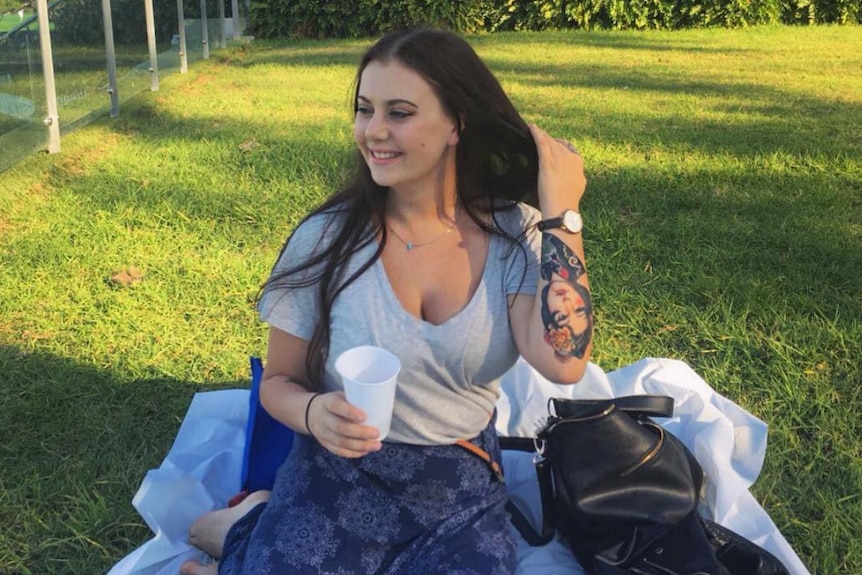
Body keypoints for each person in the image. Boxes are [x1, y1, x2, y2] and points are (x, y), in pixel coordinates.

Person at [180, 27, 593, 575]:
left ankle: (248, 530)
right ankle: (246, 528)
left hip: (456, 477)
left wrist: (561, 214)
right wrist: (313, 411)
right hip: (340, 466)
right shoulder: (327, 240)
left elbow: (564, 361)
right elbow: (279, 381)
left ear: (456, 123)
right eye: (364, 109)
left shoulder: (515, 238)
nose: (373, 132)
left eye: (399, 112)